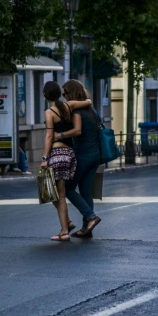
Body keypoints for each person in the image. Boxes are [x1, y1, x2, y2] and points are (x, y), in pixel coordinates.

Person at [55, 80, 102, 238]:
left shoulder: (76, 111)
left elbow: (77, 131)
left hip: (83, 156)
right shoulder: (92, 110)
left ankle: (90, 216)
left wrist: (59, 135)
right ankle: (86, 228)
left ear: (71, 93)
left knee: (67, 188)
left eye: (65, 93)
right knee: (86, 192)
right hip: (96, 156)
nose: (64, 96)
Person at [41, 81, 80, 242]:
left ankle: (64, 231)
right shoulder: (68, 107)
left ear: (44, 95)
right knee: (54, 193)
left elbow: (49, 136)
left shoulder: (49, 112)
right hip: (69, 153)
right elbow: (87, 102)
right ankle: (67, 223)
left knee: (55, 193)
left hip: (56, 154)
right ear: (59, 93)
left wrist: (45, 158)